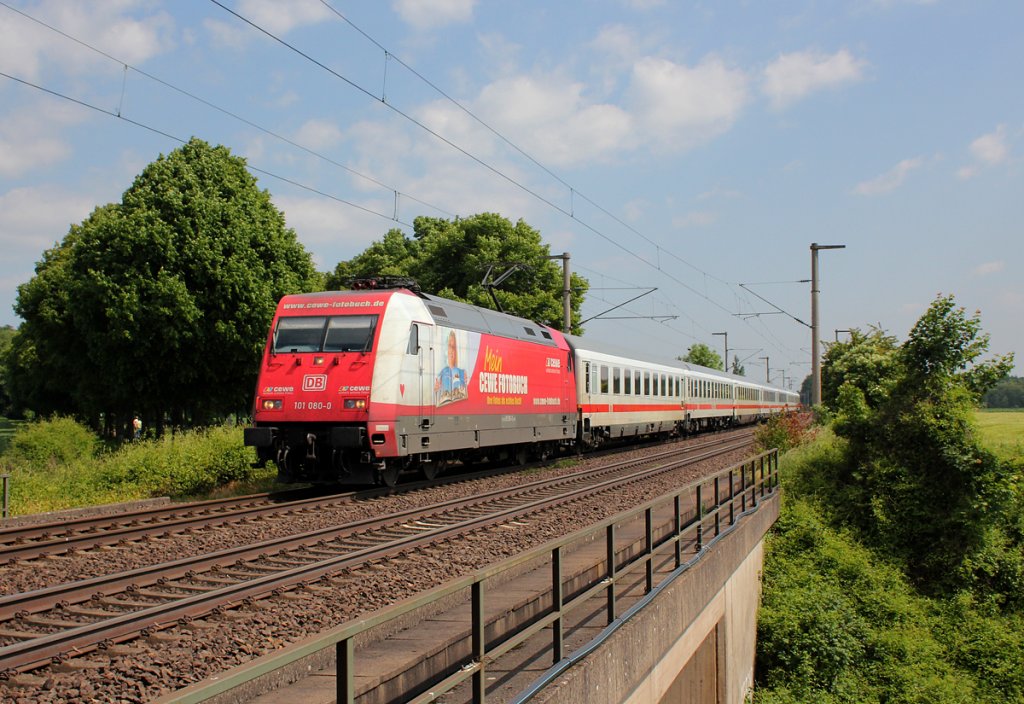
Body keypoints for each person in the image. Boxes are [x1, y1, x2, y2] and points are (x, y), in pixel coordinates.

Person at [435, 331, 468, 405]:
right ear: (447, 350)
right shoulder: (442, 372)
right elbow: (436, 391)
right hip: (444, 403)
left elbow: (464, 392)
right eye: (450, 346)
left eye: (454, 347)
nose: (452, 351)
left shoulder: (461, 372)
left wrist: (464, 385)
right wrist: (436, 389)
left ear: (456, 351)